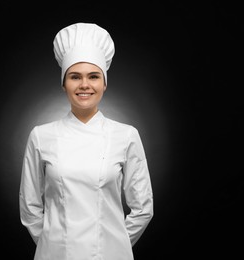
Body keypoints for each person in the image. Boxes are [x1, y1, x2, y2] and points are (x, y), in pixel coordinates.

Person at [19, 22, 154, 260]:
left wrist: (114, 243)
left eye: (93, 76)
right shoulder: (41, 136)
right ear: (64, 84)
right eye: (75, 77)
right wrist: (53, 243)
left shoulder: (126, 135)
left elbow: (143, 209)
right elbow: (30, 207)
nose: (84, 85)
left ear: (104, 83)